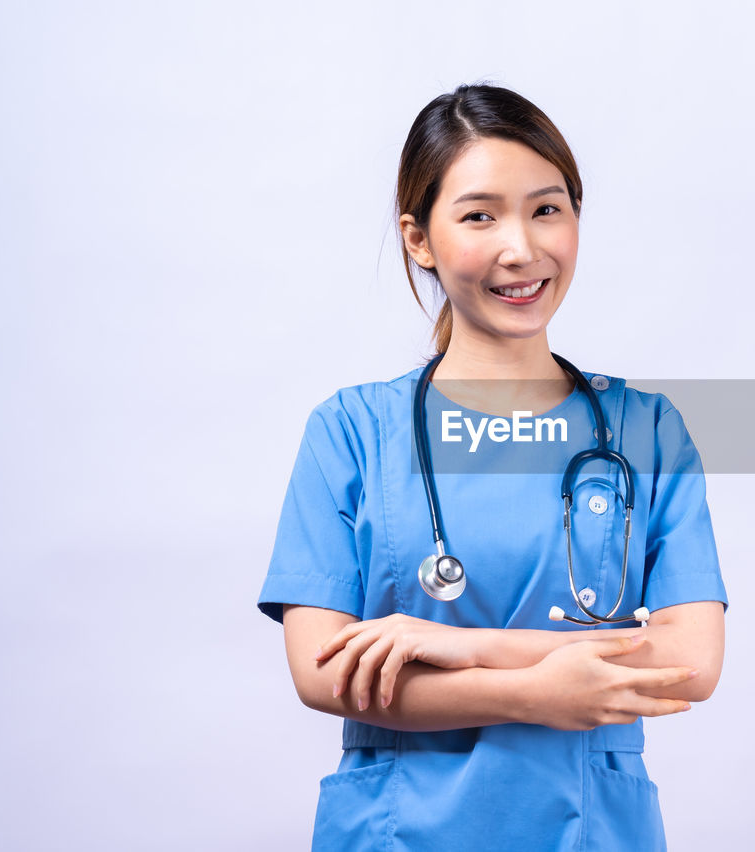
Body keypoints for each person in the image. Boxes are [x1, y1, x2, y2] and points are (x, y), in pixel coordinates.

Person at [257, 82, 728, 851]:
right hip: (397, 829)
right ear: (419, 238)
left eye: (548, 209)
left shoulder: (645, 432)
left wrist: (461, 645)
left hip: (592, 829)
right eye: (480, 215)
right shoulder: (351, 432)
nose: (523, 248)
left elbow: (691, 662)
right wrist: (535, 693)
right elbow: (323, 672)